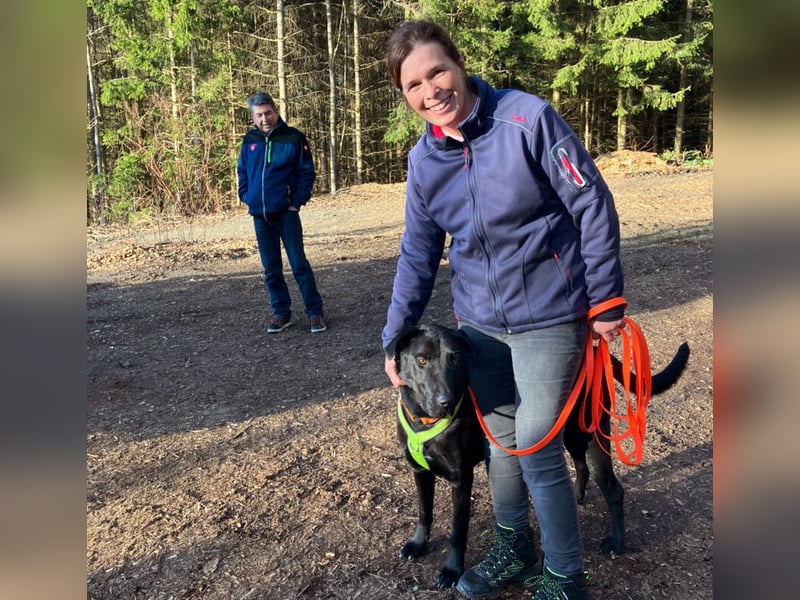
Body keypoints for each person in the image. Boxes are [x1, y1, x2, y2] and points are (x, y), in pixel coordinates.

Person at [381, 20, 626, 600]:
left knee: (537, 445)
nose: (431, 90)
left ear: (459, 64)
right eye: (414, 84)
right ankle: (515, 549)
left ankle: (566, 576)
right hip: (480, 328)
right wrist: (394, 336)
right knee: (500, 447)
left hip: (551, 316)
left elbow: (591, 204)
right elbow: (418, 252)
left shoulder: (528, 119)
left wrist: (608, 297)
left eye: (437, 70)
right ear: (405, 95)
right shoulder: (424, 162)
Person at [237, 92, 326, 334]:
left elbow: (307, 172)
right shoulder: (249, 141)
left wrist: (296, 202)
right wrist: (246, 196)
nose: (265, 119)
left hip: (286, 213)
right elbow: (242, 172)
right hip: (260, 216)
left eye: (268, 113)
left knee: (299, 264)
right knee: (271, 268)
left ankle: (315, 313)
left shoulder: (293, 138)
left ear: (276, 111)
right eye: (259, 115)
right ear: (253, 117)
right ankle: (281, 313)